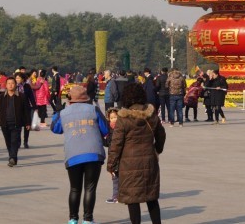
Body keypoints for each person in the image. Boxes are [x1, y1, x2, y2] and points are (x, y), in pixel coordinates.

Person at [106, 83, 166, 224]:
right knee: (151, 197)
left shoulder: (123, 118)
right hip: (149, 161)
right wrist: (157, 150)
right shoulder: (151, 115)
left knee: (132, 199)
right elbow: (161, 135)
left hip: (129, 163)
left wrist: (111, 165)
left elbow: (116, 144)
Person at [52, 85, 109, 224]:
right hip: (93, 153)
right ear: (86, 99)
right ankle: (88, 219)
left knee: (75, 188)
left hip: (73, 154)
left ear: (70, 99)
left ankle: (73, 219)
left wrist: (57, 112)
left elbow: (55, 128)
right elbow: (105, 129)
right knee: (90, 188)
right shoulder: (93, 110)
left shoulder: (64, 113)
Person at [0, 77, 31, 166]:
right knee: (8, 141)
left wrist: (28, 122)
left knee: (14, 141)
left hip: (16, 123)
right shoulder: (2, 97)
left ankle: (12, 158)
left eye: (12, 83)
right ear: (6, 85)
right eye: (9, 83)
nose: (10, 85)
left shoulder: (21, 96)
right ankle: (12, 156)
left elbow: (26, 110)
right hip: (5, 123)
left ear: (15, 85)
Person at [16, 72, 37, 148]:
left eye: (18, 78)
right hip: (17, 108)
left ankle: (25, 142)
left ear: (22, 79)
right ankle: (18, 142)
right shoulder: (15, 86)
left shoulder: (27, 86)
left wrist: (35, 107)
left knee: (27, 126)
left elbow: (31, 97)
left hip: (26, 108)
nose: (17, 79)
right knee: (18, 127)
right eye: (16, 78)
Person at [104, 107, 120, 204]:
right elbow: (107, 143)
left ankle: (118, 196)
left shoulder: (121, 128)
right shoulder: (109, 129)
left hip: (119, 156)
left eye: (115, 117)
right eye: (111, 118)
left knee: (119, 177)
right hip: (112, 155)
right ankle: (116, 196)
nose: (114, 119)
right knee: (115, 177)